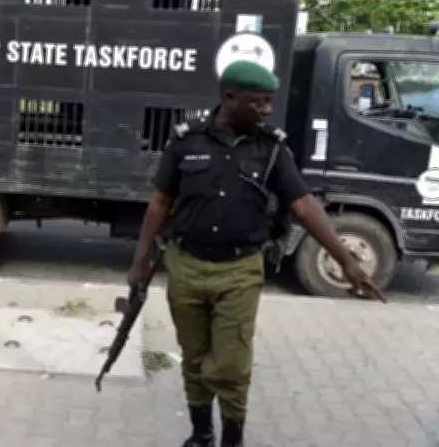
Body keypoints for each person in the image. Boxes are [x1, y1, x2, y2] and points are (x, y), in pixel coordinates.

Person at [126, 59, 387, 447]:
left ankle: (232, 438)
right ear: (230, 97)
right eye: (258, 102)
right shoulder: (187, 140)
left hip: (239, 269)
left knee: (230, 365)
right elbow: (160, 203)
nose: (266, 110)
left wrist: (346, 259)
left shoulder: (271, 149)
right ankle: (201, 433)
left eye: (269, 102)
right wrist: (141, 261)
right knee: (194, 358)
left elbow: (303, 205)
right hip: (186, 266)